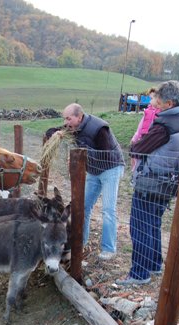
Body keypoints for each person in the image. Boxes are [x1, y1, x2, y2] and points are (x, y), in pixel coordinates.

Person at [116, 80, 179, 286]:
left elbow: (138, 149)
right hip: (173, 180)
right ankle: (154, 263)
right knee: (153, 223)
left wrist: (135, 143)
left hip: (152, 181)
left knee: (140, 226)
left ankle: (139, 272)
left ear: (170, 103)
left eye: (159, 100)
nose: (155, 103)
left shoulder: (166, 125)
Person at [49, 103, 125, 260]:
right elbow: (50, 131)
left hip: (110, 168)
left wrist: (81, 153)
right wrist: (56, 134)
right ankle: (80, 242)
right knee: (83, 207)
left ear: (79, 117)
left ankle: (108, 249)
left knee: (108, 210)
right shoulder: (72, 127)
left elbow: (106, 154)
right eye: (65, 119)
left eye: (68, 118)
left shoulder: (99, 128)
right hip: (94, 170)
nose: (66, 122)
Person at [130, 88, 160, 171]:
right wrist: (135, 137)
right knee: (136, 157)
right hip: (143, 138)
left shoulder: (161, 112)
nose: (150, 101)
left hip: (152, 140)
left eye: (152, 98)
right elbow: (141, 126)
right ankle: (135, 174)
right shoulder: (148, 110)